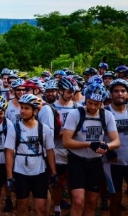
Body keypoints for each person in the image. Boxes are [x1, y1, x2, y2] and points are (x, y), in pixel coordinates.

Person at [62, 83, 120, 215]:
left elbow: (116, 141)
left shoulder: (107, 116)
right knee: (78, 201)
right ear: (85, 100)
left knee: (92, 202)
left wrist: (106, 146)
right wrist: (89, 144)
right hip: (77, 161)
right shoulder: (75, 114)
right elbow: (66, 141)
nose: (93, 107)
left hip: (95, 163)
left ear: (102, 103)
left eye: (97, 104)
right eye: (90, 103)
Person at [5, 94, 57, 216]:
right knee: (22, 208)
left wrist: (53, 172)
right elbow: (9, 152)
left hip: (40, 171)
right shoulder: (14, 128)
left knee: (42, 209)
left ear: (35, 111)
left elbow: (50, 151)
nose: (22, 111)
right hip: (20, 171)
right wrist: (9, 177)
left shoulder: (44, 129)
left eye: (26, 108)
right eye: (21, 107)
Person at [51, 76, 80, 216]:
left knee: (73, 181)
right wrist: (68, 133)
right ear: (60, 91)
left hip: (74, 150)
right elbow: (48, 134)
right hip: (58, 150)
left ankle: (75, 208)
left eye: (73, 92)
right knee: (57, 181)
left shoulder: (78, 108)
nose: (71, 95)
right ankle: (57, 209)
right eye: (68, 92)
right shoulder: (51, 109)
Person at [102, 79, 128, 216]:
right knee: (116, 198)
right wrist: (107, 149)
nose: (120, 94)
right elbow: (96, 135)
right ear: (111, 94)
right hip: (112, 163)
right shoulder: (103, 113)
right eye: (116, 91)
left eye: (123, 91)